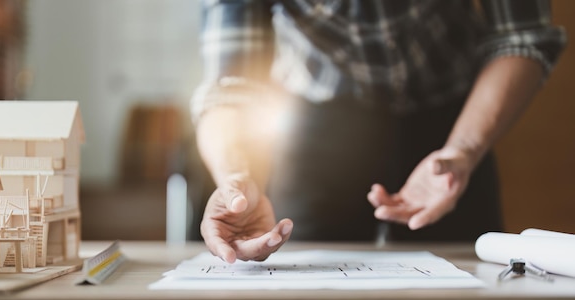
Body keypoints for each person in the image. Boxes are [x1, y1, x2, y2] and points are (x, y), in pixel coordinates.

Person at [190, 0, 566, 263]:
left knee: (470, 277)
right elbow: (230, 86)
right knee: (300, 275)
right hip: (318, 121)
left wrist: (464, 148)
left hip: (455, 119)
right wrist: (235, 177)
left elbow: (523, 35)